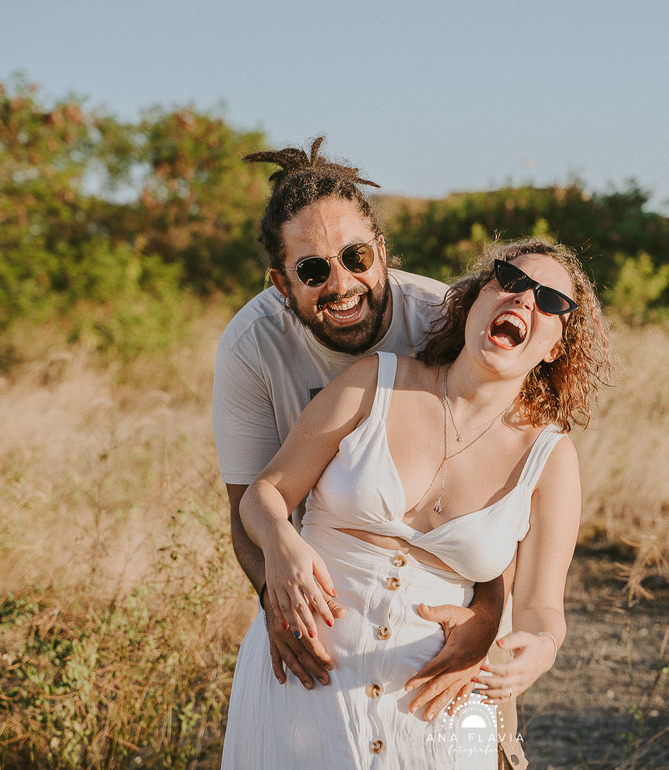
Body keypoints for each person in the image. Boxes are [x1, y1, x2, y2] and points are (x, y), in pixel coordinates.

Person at [222, 238, 614, 767]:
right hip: (306, 679)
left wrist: (542, 647)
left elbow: (542, 604)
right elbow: (264, 495)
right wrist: (281, 546)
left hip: (440, 708)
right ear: (475, 299)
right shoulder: (375, 382)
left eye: (551, 302)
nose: (525, 300)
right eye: (512, 281)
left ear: (556, 347)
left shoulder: (551, 458)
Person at [212, 138, 521, 762]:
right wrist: (282, 601)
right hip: (330, 632)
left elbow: (504, 486)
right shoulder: (251, 348)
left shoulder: (445, 322)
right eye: (313, 270)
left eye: (356, 256)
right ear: (280, 283)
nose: (342, 283)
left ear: (381, 250)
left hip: (445, 621)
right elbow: (251, 507)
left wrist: (489, 616)